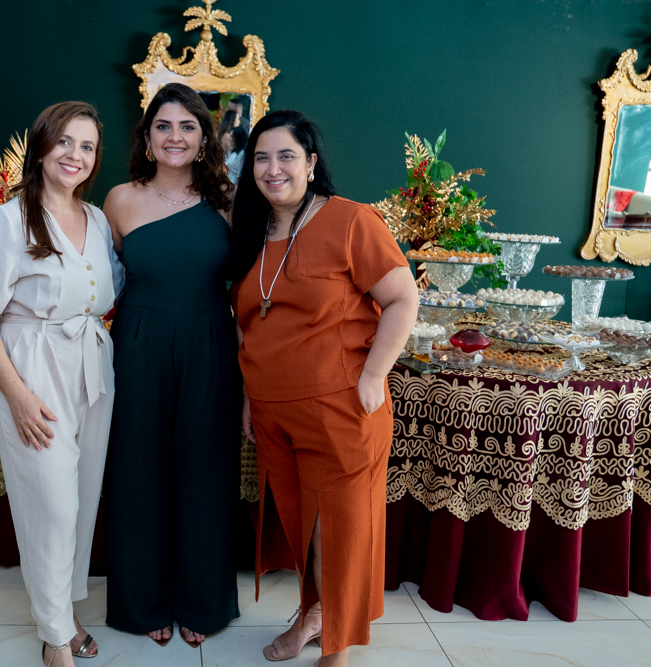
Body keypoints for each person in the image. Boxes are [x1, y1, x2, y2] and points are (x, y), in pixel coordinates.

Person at [229, 110, 418, 666]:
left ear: (311, 163)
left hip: (340, 405)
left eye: (286, 156)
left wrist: (373, 375)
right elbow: (251, 324)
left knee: (338, 527)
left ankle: (335, 637)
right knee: (304, 526)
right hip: (271, 411)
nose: (272, 168)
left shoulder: (350, 220)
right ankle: (316, 615)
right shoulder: (253, 233)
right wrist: (247, 396)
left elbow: (403, 299)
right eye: (261, 158)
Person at [0, 101, 123, 667]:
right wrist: (19, 395)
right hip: (34, 370)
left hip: (93, 370)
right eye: (65, 142)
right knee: (49, 506)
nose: (75, 155)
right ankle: (55, 635)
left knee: (80, 503)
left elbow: (108, 294)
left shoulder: (99, 219)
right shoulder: (8, 220)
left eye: (87, 146)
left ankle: (65, 611)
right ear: (41, 145)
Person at [103, 82, 241, 649]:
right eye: (164, 126)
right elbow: (99, 283)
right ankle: (142, 603)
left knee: (205, 471)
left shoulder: (230, 201)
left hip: (210, 341)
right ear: (147, 136)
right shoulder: (118, 199)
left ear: (205, 137)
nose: (175, 136)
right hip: (137, 344)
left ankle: (203, 602)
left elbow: (247, 289)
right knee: (139, 472)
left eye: (188, 126)